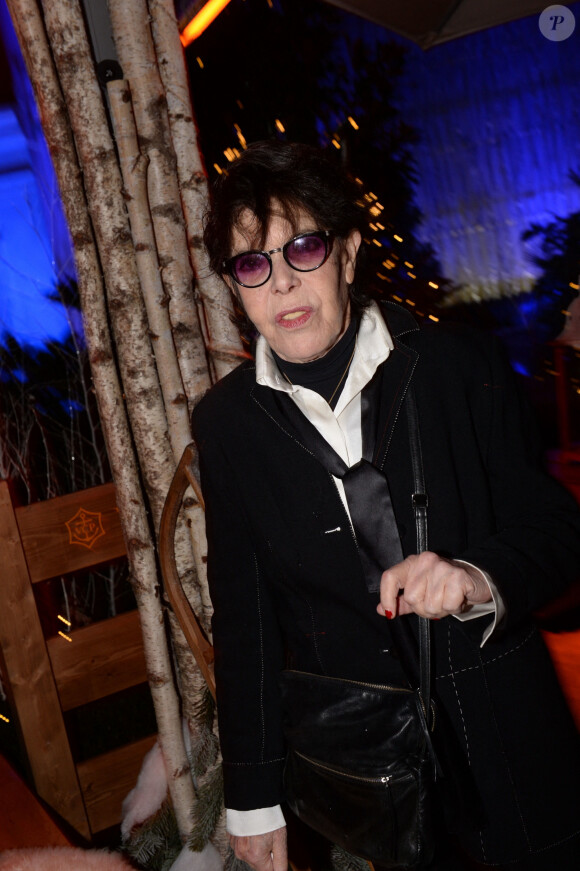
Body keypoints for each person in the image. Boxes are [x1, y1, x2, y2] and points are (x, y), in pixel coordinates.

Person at [191, 140, 580, 871]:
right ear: (234, 286)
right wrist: (252, 796)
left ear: (347, 252)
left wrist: (476, 573)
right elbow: (244, 621)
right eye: (253, 264)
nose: (281, 284)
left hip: (508, 739)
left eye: (302, 248)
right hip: (366, 774)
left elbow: (562, 530)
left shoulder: (459, 367)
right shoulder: (227, 425)